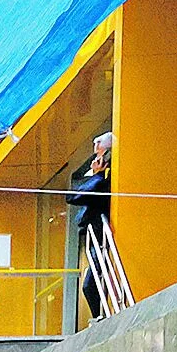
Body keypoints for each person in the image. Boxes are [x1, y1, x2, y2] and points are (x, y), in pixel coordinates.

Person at [68, 133, 113, 321]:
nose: (95, 161)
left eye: (99, 158)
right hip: (94, 236)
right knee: (92, 282)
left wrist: (96, 175)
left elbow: (75, 196)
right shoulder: (100, 181)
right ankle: (99, 316)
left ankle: (101, 317)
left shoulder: (102, 183)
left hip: (100, 236)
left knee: (90, 285)